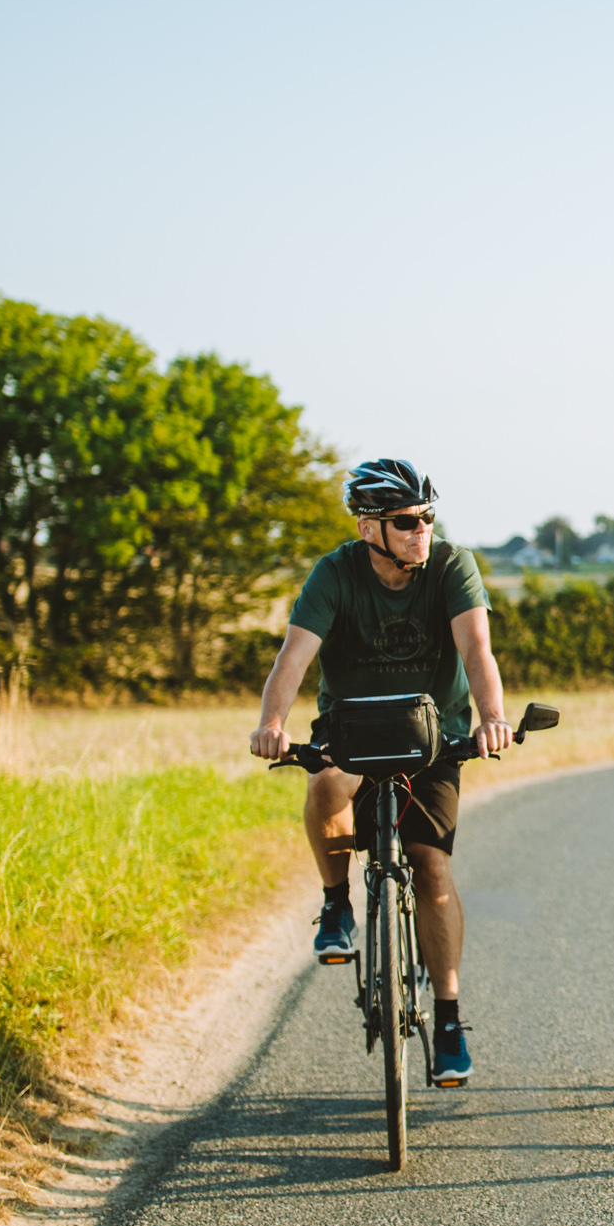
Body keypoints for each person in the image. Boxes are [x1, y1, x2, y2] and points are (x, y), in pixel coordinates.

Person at [249, 458, 514, 1086]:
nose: (421, 529)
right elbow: (295, 654)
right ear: (370, 528)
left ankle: (447, 1021)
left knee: (431, 865)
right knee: (324, 782)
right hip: (352, 727)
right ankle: (337, 902)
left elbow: (477, 648)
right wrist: (272, 723)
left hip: (434, 733)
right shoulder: (335, 574)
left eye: (426, 517)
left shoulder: (451, 565)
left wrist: (492, 717)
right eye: (405, 521)